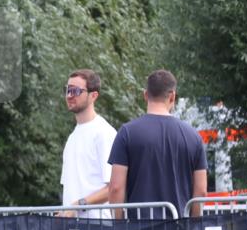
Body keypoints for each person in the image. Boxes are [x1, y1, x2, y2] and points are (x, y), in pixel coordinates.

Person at [108, 70, 207, 218]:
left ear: (145, 95)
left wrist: (120, 229)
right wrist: (192, 227)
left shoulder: (127, 133)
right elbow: (201, 191)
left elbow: (116, 188)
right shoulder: (194, 136)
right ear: (172, 96)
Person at [60, 69, 116, 219]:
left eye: (76, 91)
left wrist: (79, 205)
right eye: (67, 90)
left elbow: (113, 187)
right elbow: (70, 189)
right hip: (71, 226)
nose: (69, 95)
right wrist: (65, 211)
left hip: (97, 226)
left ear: (93, 96)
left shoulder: (104, 133)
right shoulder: (72, 137)